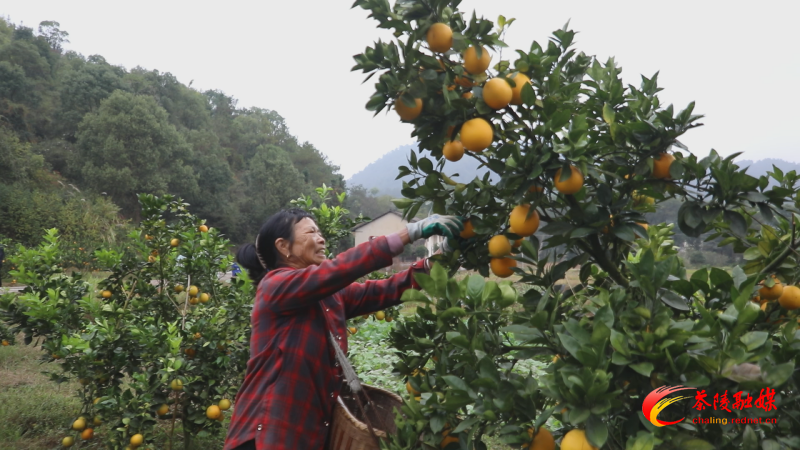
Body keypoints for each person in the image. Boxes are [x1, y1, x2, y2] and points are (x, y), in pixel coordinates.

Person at [223, 209, 462, 450]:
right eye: (311, 232)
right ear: (284, 246)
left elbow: (387, 289)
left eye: (320, 231)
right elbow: (338, 270)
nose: (321, 238)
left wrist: (439, 261)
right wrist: (409, 233)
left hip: (307, 436)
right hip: (266, 435)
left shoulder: (331, 297)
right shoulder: (274, 287)